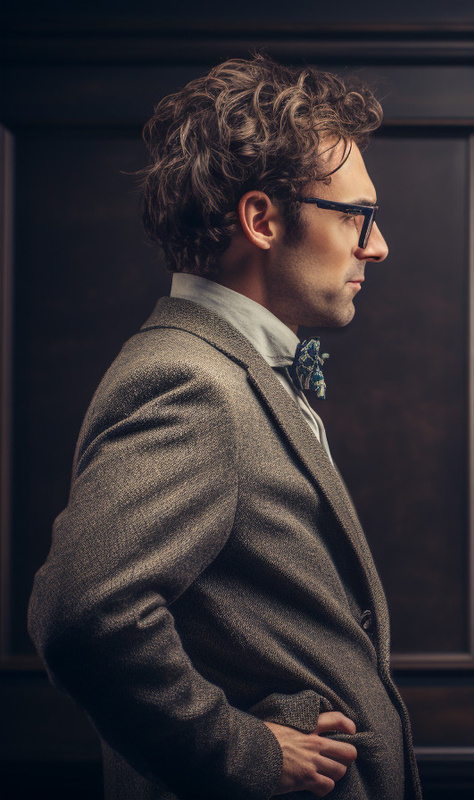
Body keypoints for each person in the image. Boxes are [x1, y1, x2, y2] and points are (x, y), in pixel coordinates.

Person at [28, 55, 422, 800]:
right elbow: (82, 615)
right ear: (262, 219)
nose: (376, 245)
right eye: (356, 216)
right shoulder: (191, 383)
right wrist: (246, 753)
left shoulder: (234, 369)